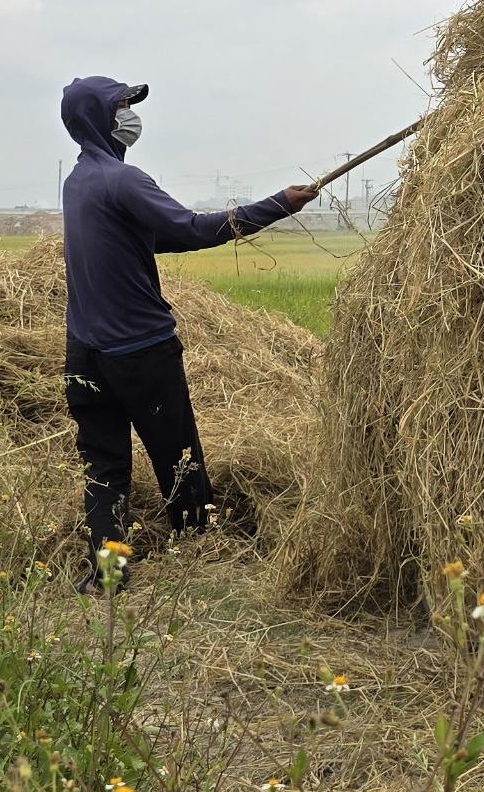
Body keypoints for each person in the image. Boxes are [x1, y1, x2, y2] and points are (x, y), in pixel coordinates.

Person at [58, 75, 316, 590]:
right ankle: (199, 552)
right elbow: (195, 229)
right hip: (141, 352)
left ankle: (107, 574)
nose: (131, 114)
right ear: (102, 117)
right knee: (177, 454)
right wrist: (278, 204)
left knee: (104, 466)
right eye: (124, 106)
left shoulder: (79, 181)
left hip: (84, 355)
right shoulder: (123, 180)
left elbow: (150, 241)